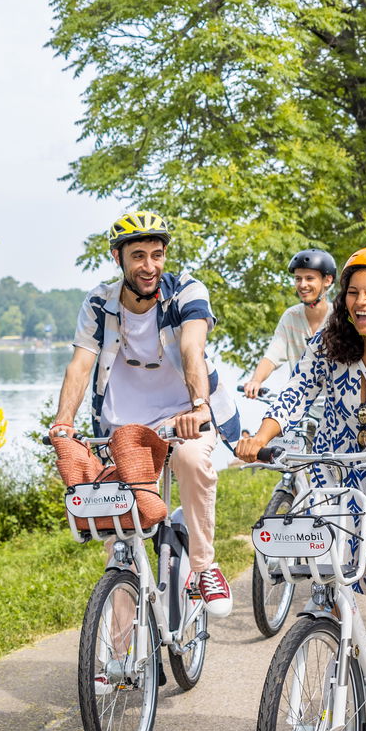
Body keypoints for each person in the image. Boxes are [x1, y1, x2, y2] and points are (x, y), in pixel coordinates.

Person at [234, 247, 366, 710]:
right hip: (337, 470)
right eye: (353, 292)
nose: (361, 302)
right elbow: (295, 393)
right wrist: (260, 436)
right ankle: (332, 629)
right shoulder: (328, 344)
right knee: (315, 556)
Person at [50, 211, 244, 617]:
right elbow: (81, 364)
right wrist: (62, 424)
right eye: (138, 256)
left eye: (157, 255)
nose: (149, 266)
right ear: (118, 258)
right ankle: (116, 662)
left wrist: (197, 407)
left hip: (186, 415)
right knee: (119, 540)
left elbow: (192, 348)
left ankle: (205, 568)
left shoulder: (187, 292)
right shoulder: (99, 303)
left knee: (192, 460)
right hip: (124, 429)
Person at [243, 248, 337, 398]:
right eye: (298, 279)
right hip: (301, 404)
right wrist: (256, 380)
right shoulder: (291, 316)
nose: (302, 284)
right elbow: (272, 355)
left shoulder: (340, 318)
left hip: (339, 405)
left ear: (327, 280)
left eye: (309, 278)